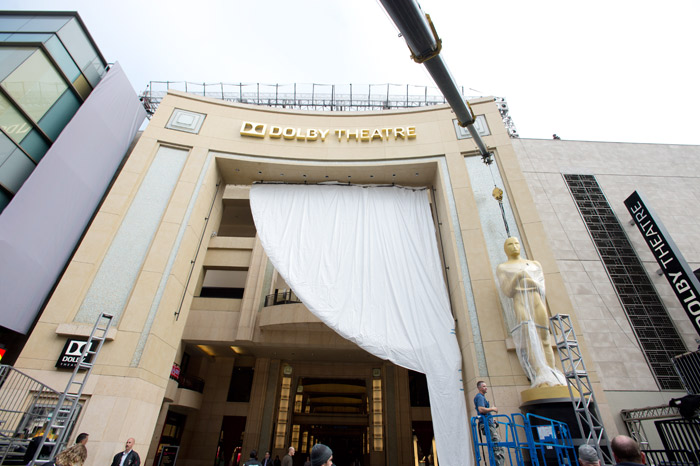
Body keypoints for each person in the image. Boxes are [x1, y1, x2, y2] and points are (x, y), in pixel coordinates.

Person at [497, 236, 565, 388]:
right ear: (505, 249)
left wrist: (526, 279)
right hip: (520, 301)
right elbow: (507, 291)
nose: (514, 246)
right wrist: (519, 277)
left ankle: (551, 373)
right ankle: (540, 374)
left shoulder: (534, 264)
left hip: (536, 301)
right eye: (510, 244)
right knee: (530, 338)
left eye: (516, 243)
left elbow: (540, 286)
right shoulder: (503, 267)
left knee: (544, 336)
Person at [474, 381, 504, 466]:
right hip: (486, 424)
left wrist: (492, 419)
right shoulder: (479, 397)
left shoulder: (482, 397)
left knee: (497, 445)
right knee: (497, 447)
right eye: (484, 386)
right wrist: (492, 409)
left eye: (486, 386)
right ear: (479, 388)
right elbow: (481, 409)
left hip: (488, 422)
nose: (486, 388)